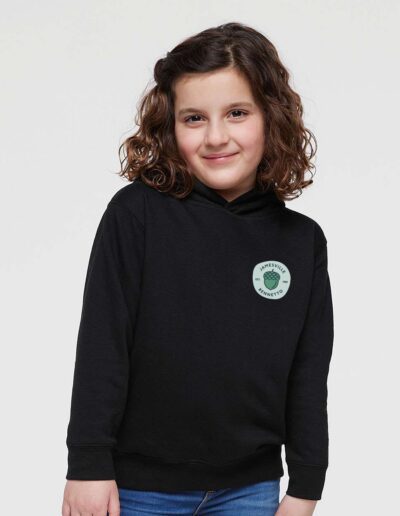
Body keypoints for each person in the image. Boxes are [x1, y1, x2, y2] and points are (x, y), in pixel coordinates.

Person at [62, 22, 334, 516]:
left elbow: (308, 375)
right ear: (170, 126)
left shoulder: (301, 242)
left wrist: (306, 488)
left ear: (271, 117)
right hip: (138, 490)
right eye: (193, 118)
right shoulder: (136, 215)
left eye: (237, 113)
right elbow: (103, 345)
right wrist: (87, 464)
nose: (216, 137)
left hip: (251, 492)